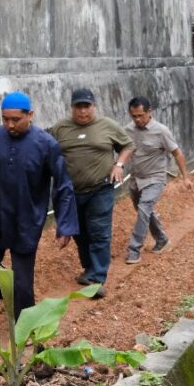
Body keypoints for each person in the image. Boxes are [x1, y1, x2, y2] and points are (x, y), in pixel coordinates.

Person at [0, 91, 77, 319]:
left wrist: (65, 225)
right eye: (5, 119)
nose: (9, 125)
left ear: (30, 115)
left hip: (26, 221)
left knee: (22, 281)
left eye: (15, 120)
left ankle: (24, 327)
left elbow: (63, 185)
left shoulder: (46, 144)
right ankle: (5, 296)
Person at [48, 88, 134, 297]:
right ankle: (89, 269)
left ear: (94, 106)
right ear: (72, 108)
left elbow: (128, 145)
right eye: (79, 107)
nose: (83, 111)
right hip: (71, 192)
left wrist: (119, 165)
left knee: (99, 232)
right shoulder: (60, 128)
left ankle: (97, 279)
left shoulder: (108, 126)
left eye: (87, 106)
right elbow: (47, 151)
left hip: (101, 188)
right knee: (79, 232)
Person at [123, 96, 194, 264]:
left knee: (144, 208)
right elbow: (123, 150)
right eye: (134, 116)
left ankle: (134, 249)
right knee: (144, 211)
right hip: (135, 179)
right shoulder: (128, 130)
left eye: (140, 115)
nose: (137, 119)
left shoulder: (161, 131)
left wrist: (186, 177)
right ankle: (162, 240)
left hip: (155, 178)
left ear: (150, 112)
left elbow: (177, 153)